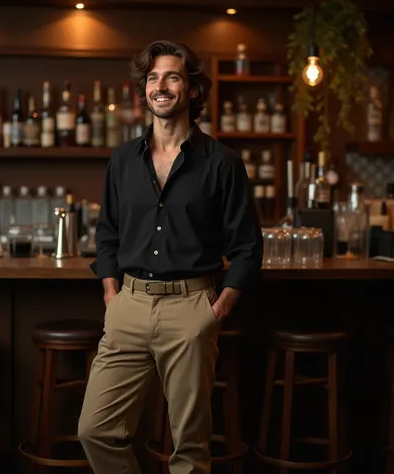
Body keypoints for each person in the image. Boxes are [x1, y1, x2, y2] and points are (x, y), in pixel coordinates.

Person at [78, 40, 263, 474]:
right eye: (153, 78)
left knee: (190, 448)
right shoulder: (123, 160)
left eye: (172, 76)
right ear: (144, 89)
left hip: (190, 308)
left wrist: (215, 312)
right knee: (95, 430)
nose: (160, 86)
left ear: (193, 90)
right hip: (129, 305)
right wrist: (111, 295)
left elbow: (248, 248)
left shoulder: (223, 163)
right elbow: (107, 234)